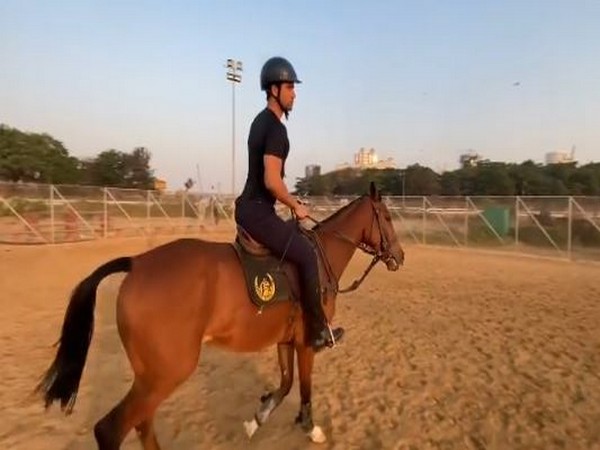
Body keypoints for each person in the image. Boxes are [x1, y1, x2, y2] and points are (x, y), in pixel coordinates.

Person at [234, 56, 344, 352]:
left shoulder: (259, 121)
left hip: (250, 209)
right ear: (273, 90)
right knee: (307, 255)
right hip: (258, 212)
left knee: (296, 242)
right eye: (289, 87)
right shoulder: (276, 129)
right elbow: (272, 180)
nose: (294, 93)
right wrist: (295, 205)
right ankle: (318, 331)